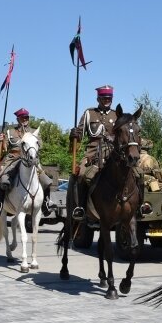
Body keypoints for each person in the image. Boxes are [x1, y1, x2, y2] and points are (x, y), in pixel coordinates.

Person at [69, 85, 119, 221]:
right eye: (104, 98)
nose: (107, 100)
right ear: (98, 98)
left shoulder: (116, 115)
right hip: (92, 152)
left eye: (109, 98)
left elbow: (122, 134)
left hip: (111, 151)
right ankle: (80, 207)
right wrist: (74, 135)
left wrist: (113, 138)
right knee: (81, 174)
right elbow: (79, 134)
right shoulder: (89, 113)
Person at [0, 108, 53, 213]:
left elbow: (40, 145)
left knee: (46, 179)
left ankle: (46, 203)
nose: (25, 120)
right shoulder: (10, 131)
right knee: (3, 176)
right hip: (13, 158)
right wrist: (0, 141)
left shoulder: (34, 132)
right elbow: (5, 148)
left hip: (30, 159)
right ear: (18, 119)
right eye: (22, 118)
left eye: (26, 117)